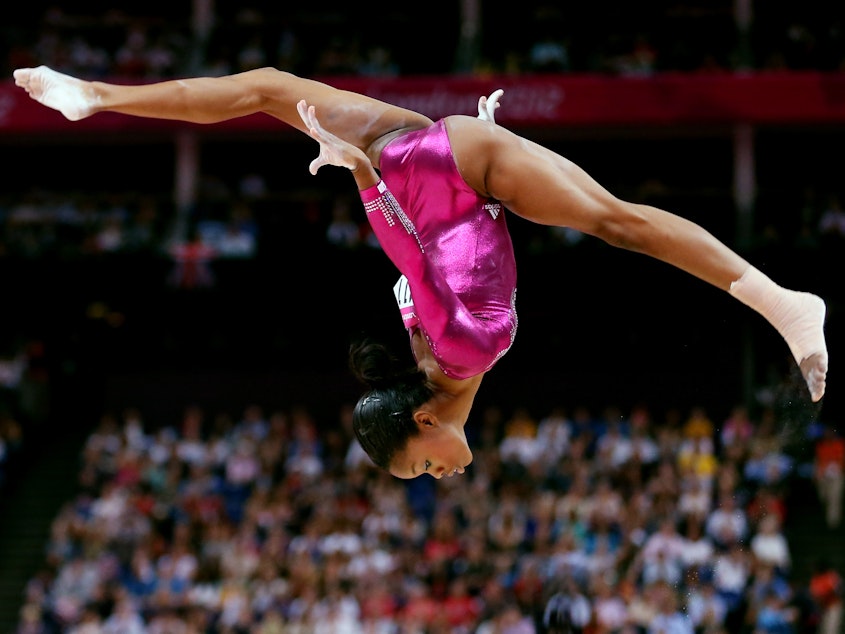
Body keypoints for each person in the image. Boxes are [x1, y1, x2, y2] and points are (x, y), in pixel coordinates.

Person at [13, 64, 829, 480]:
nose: (440, 475)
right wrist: (385, 168)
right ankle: (93, 92)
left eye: (421, 468)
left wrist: (365, 179)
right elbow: (425, 268)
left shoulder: (461, 359)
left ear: (425, 426)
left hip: (448, 175)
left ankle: (782, 303)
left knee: (618, 224)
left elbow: (411, 252)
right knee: (264, 89)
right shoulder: (433, 355)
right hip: (435, 163)